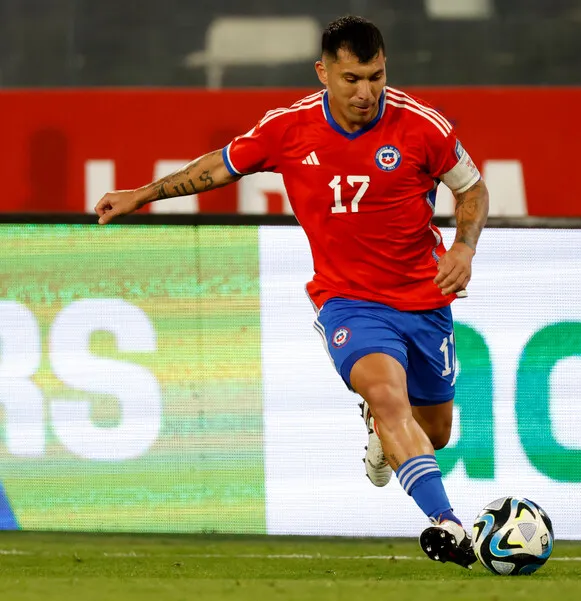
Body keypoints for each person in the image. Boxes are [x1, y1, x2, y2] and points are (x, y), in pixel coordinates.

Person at [94, 15, 489, 568]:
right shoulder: (288, 127)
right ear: (323, 72)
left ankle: (383, 440)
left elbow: (471, 190)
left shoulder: (422, 126)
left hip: (424, 300)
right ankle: (448, 524)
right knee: (386, 396)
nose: (366, 92)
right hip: (348, 300)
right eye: (351, 78)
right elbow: (218, 169)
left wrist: (464, 248)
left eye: (376, 77)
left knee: (437, 432)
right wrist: (145, 194)